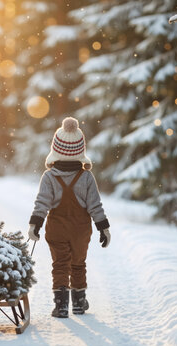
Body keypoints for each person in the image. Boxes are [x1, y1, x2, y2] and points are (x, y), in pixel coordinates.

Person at [28, 117, 111, 318]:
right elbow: (95, 205)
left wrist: (35, 224)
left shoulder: (49, 176)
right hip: (80, 229)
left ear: (55, 149)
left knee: (60, 264)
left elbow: (42, 203)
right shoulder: (86, 177)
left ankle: (61, 305)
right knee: (78, 263)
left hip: (56, 227)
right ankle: (79, 303)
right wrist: (103, 227)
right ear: (80, 150)